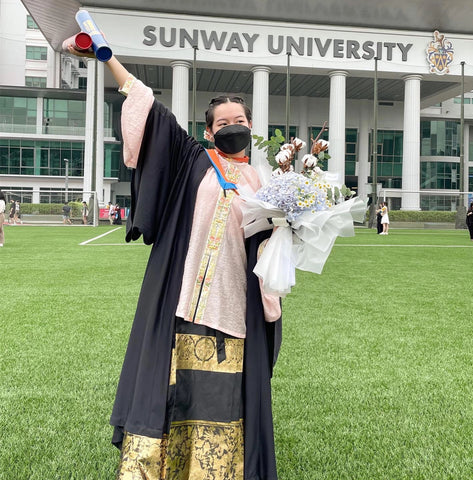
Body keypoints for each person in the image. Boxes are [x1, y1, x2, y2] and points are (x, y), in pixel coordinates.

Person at [68, 44, 282, 479]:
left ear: (251, 126)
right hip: (184, 301)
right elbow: (146, 103)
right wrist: (104, 54)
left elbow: (267, 244)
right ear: (208, 132)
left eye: (239, 121)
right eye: (223, 123)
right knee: (174, 391)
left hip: (234, 308)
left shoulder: (263, 182)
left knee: (222, 398)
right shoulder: (192, 161)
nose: (232, 127)